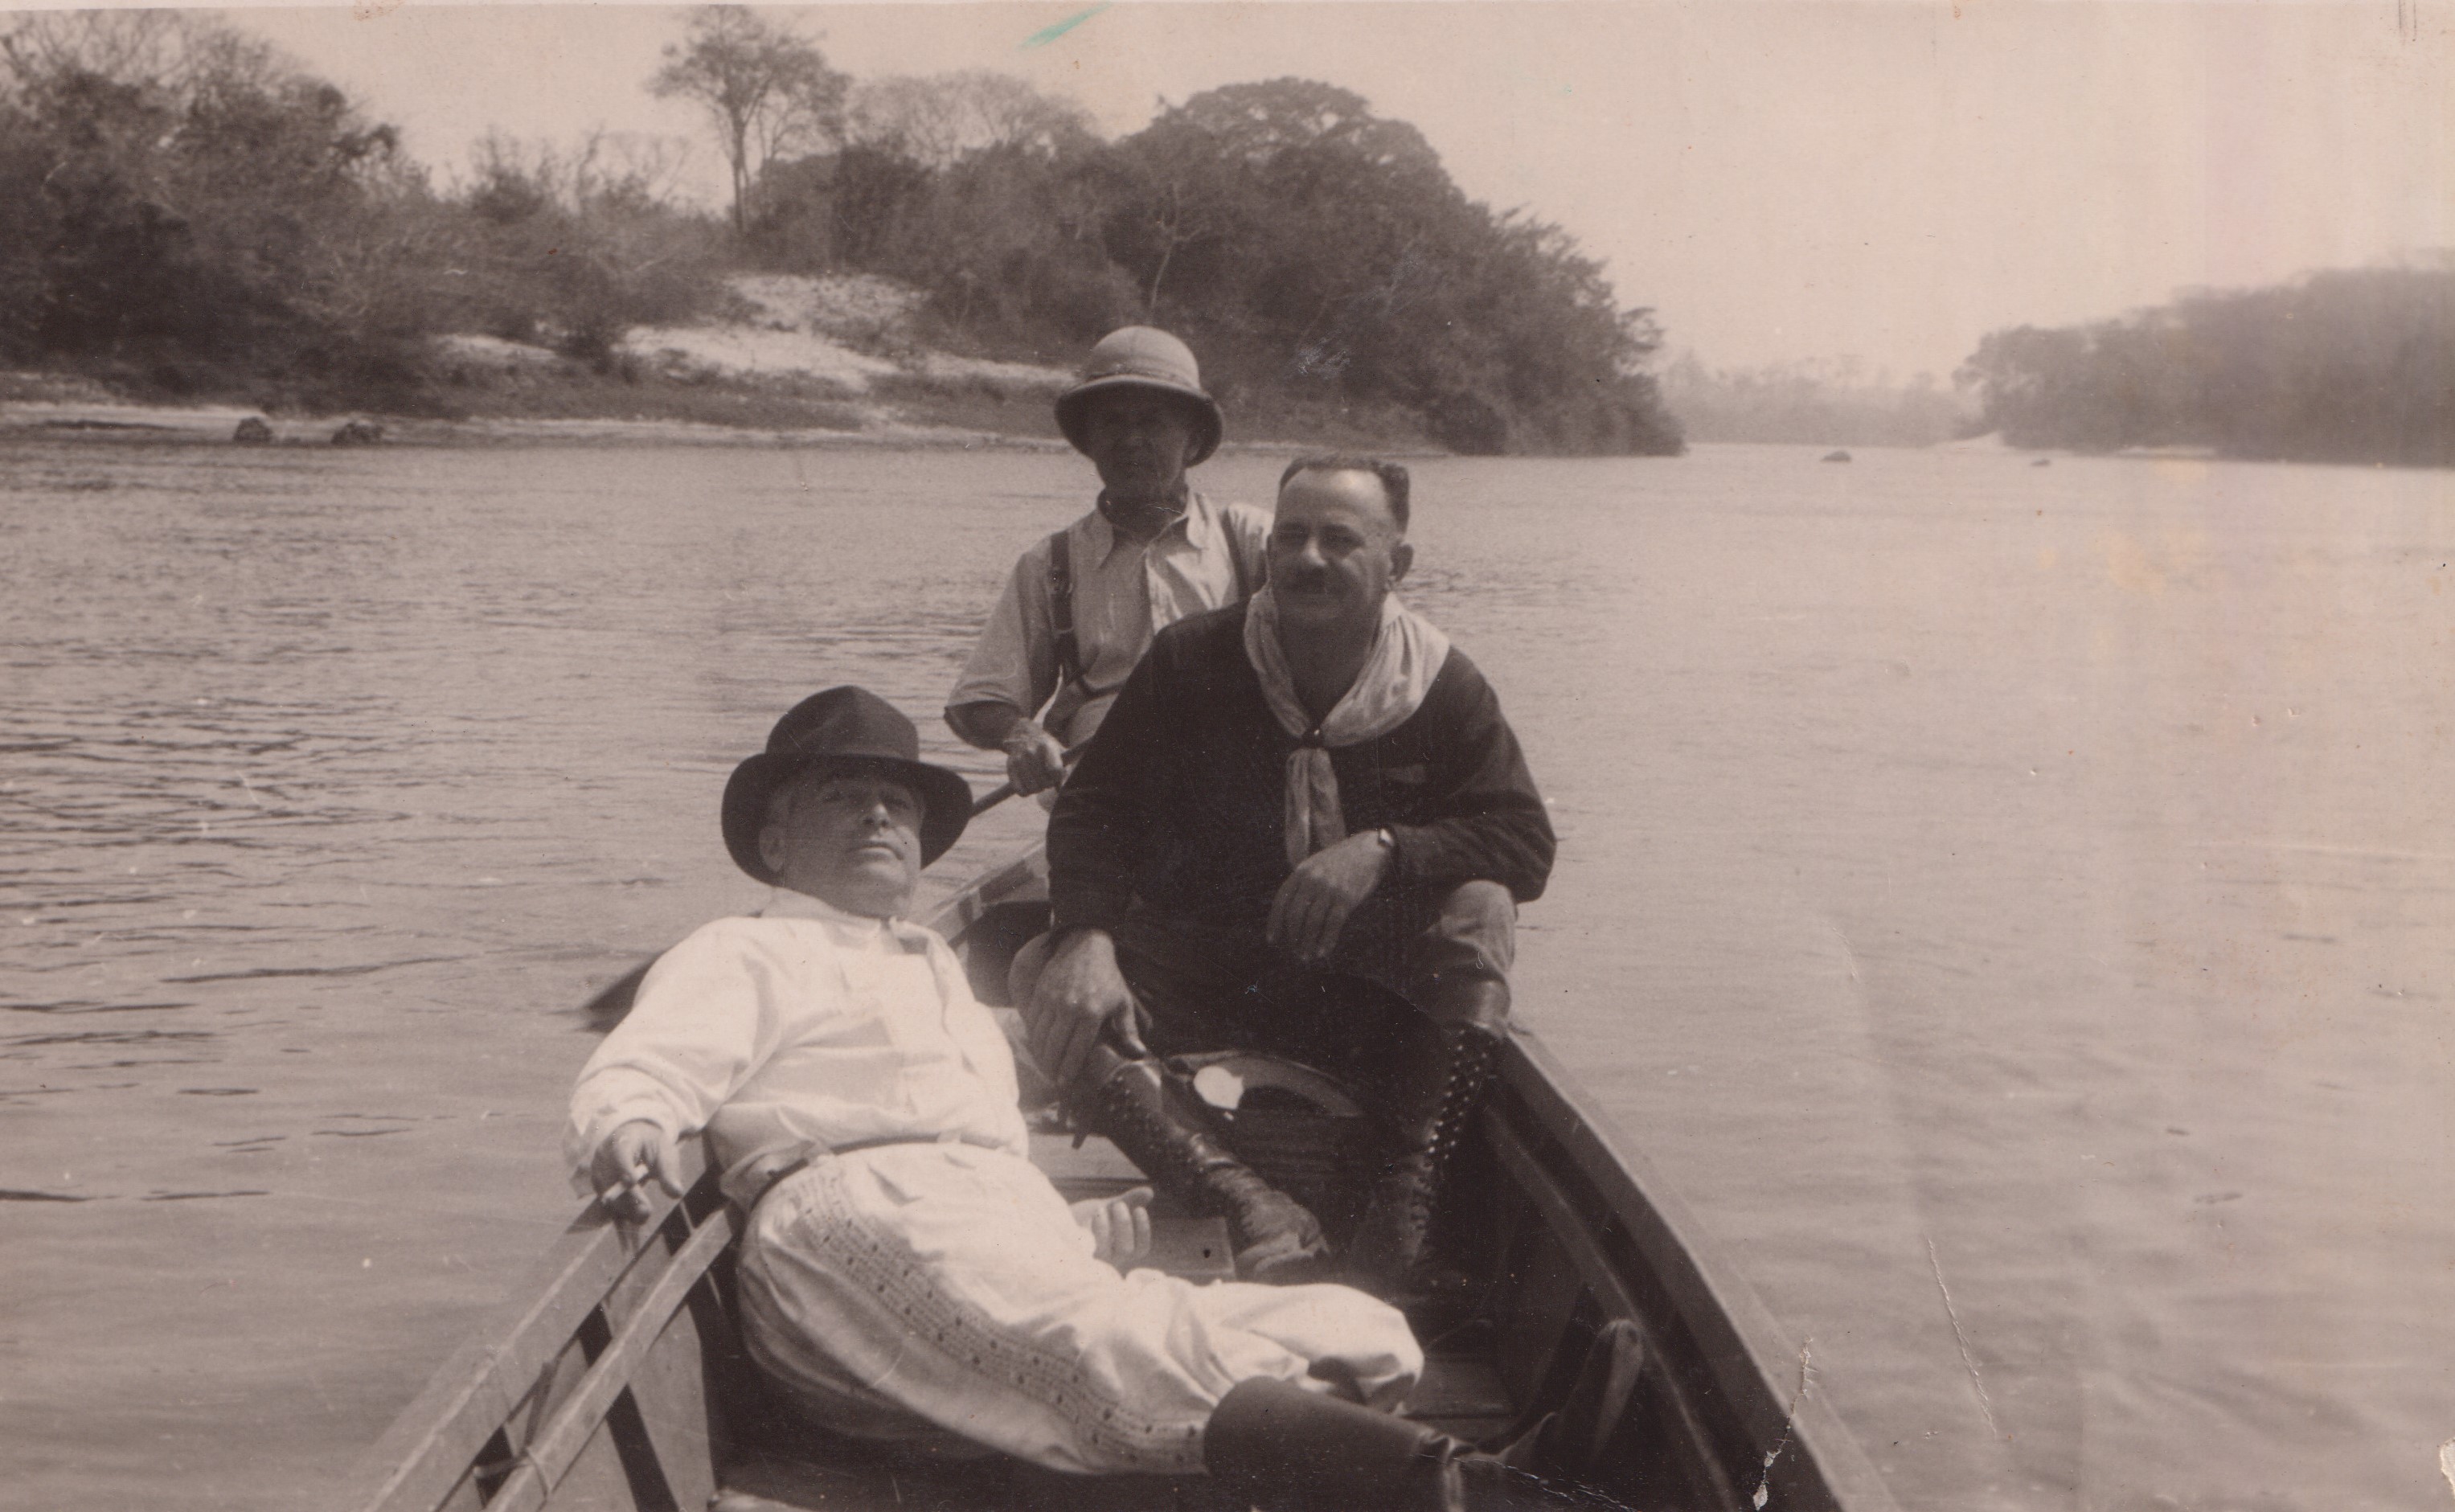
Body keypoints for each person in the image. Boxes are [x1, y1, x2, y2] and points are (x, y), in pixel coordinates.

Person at [564, 685, 1436, 1482]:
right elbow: (650, 1064)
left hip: (979, 1226)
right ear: (774, 843)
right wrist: (630, 1126)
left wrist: (1062, 1226)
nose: (878, 815)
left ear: (917, 850)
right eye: (843, 796)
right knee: (1108, 1353)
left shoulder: (929, 962)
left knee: (1358, 1329)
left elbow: (969, 1133)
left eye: (897, 804)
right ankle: (1452, 1482)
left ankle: (1399, 1464)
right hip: (845, 1223)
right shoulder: (742, 948)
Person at [1018, 457, 1556, 1300]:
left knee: (1483, 908)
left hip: (1361, 1005)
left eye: (1341, 540)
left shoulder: (1443, 686)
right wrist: (1086, 937)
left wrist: (1386, 847)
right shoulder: (1192, 659)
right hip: (1207, 978)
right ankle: (1247, 1205)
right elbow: (1096, 814)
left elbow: (1524, 843)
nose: (1309, 558)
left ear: (1396, 567)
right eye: (1292, 536)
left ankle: (1402, 1209)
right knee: (1040, 973)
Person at [945, 326, 1269, 797]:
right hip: (1101, 801)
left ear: (1193, 441)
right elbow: (980, 700)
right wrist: (1023, 736)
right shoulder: (1049, 564)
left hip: (1232, 789)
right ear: (1089, 441)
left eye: (1153, 422)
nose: (1131, 441)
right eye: (1113, 423)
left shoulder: (1252, 540)